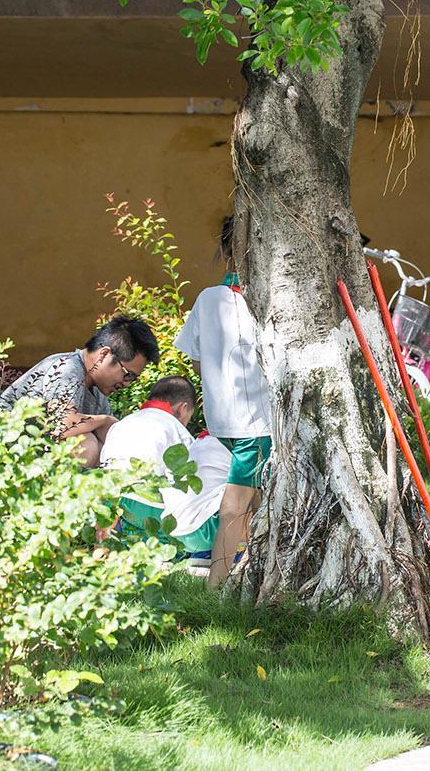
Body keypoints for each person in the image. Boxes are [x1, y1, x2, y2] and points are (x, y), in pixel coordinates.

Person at [175, 216, 274, 587]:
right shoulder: (261, 303)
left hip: (222, 421)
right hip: (256, 422)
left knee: (257, 499)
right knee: (236, 505)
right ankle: (215, 588)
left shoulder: (207, 298)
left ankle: (249, 575)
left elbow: (196, 359)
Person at [0, 314, 159, 467]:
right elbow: (62, 425)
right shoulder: (67, 368)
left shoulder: (98, 395)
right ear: (104, 354)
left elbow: (113, 442)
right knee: (85, 444)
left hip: (35, 459)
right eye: (127, 374)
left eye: (133, 379)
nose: (126, 383)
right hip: (2, 455)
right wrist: (104, 421)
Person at [98, 375, 230, 557]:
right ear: (183, 408)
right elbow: (186, 484)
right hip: (145, 501)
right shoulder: (176, 429)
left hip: (110, 498)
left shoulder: (123, 423)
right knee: (176, 533)